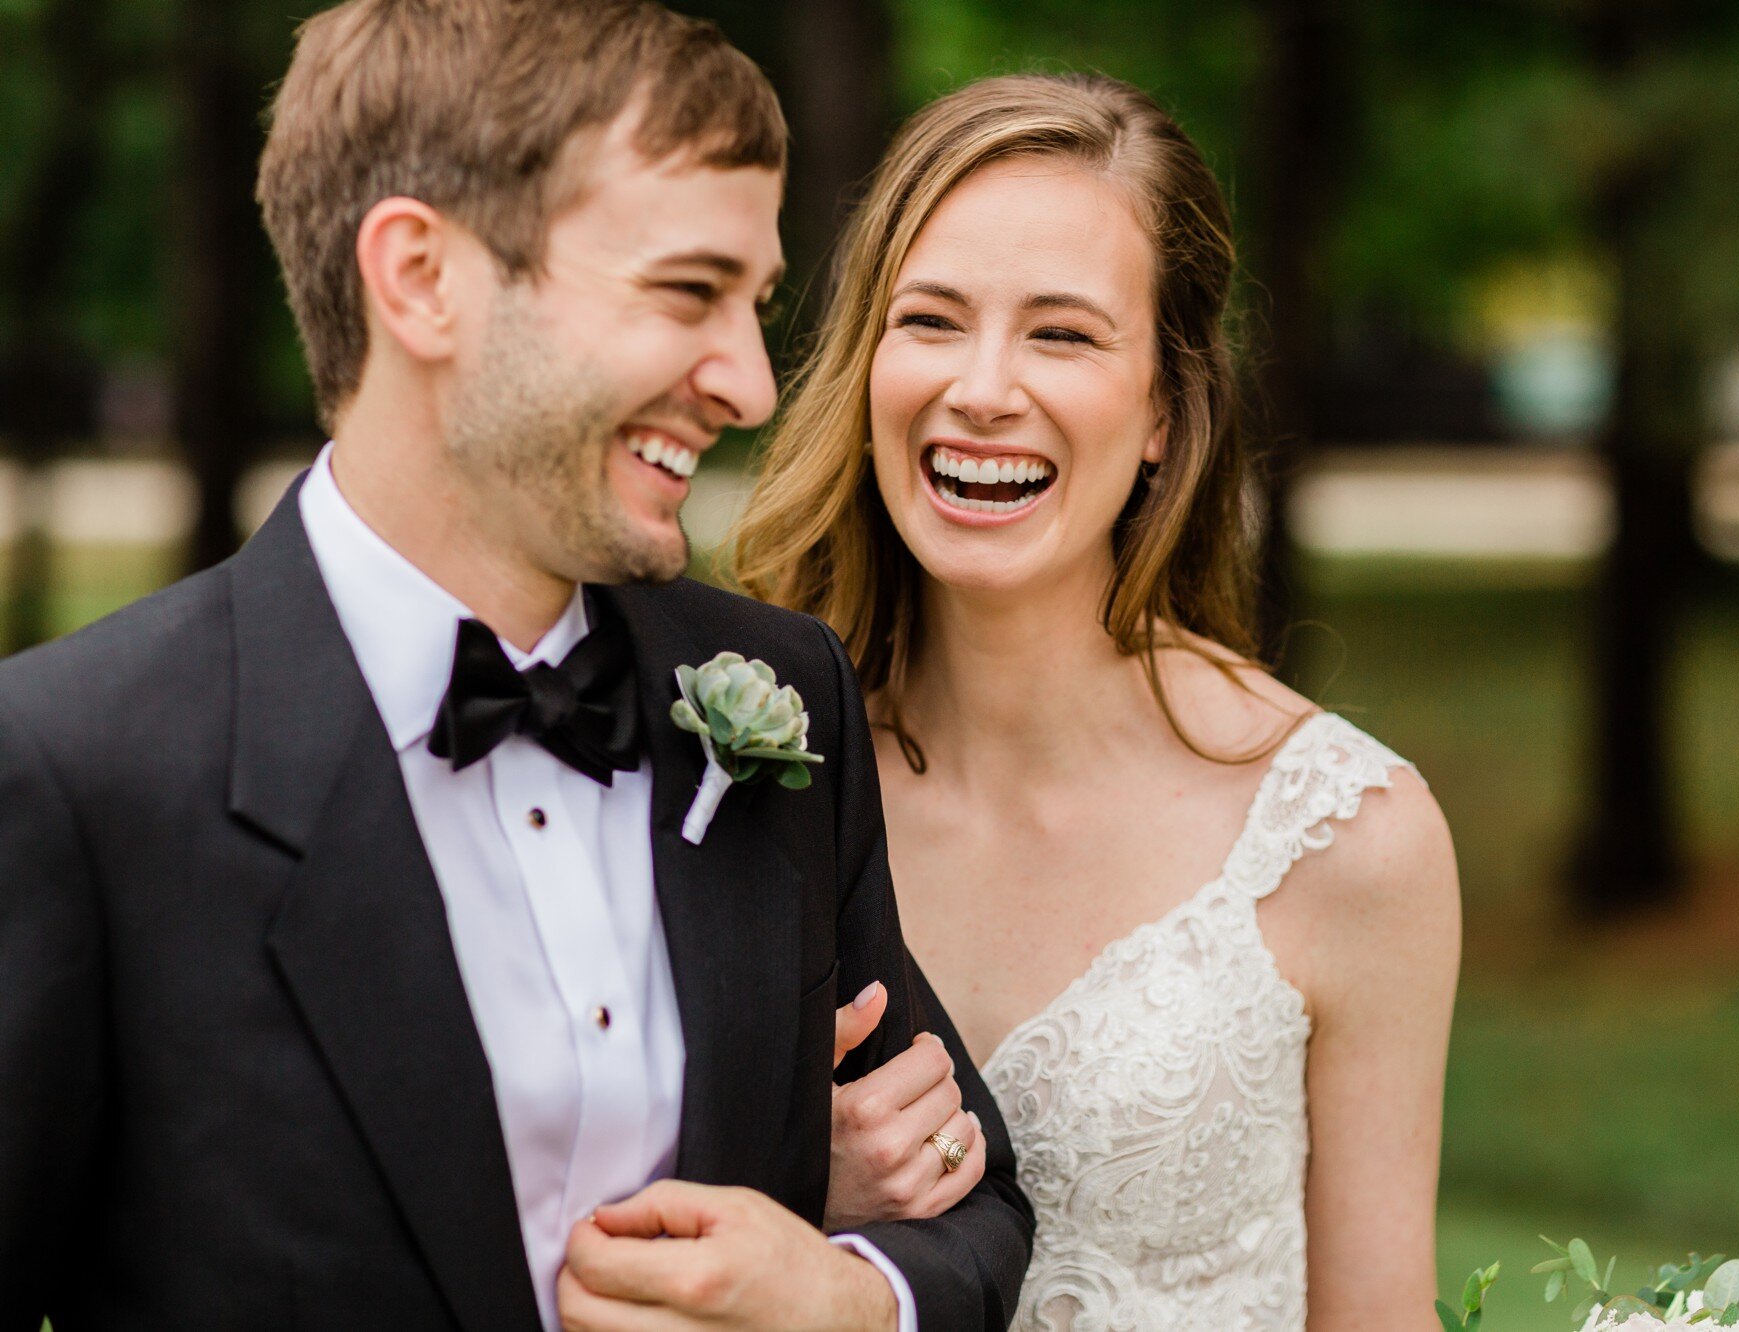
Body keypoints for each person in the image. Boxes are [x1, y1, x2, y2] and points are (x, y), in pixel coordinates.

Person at [0, 5, 1030, 1330]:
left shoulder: (777, 694)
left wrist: (847, 1296)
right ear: (422, 278)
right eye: (686, 291)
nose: (747, 384)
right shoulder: (76, 771)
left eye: (753, 304)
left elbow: (982, 1197)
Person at [733, 72, 1461, 1330]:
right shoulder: (735, 786)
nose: (982, 388)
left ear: (1166, 412)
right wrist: (803, 1200)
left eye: (1061, 334)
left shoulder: (1350, 841)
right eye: (931, 320)